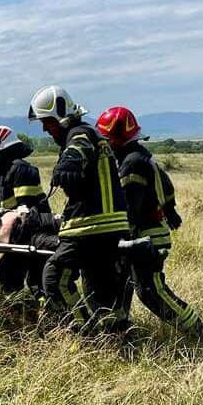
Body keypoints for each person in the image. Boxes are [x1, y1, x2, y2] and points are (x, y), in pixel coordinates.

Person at [95, 106, 203, 344]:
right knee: (121, 281)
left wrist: (117, 234)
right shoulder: (139, 156)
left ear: (116, 139)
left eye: (107, 139)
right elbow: (166, 186)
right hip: (148, 230)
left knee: (151, 292)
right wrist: (170, 210)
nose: (104, 144)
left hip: (148, 235)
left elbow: (131, 208)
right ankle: (119, 332)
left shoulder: (132, 163)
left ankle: (201, 334)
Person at [28, 86, 130, 331]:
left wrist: (68, 163)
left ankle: (86, 332)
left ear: (61, 116)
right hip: (111, 226)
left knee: (54, 278)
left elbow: (78, 150)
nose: (45, 128)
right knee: (100, 288)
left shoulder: (80, 133)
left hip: (91, 226)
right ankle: (115, 335)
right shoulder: (89, 134)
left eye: (48, 122)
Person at [0, 126, 51, 296]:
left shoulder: (21, 169)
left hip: (33, 231)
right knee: (9, 272)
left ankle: (44, 314)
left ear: (4, 149)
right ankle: (22, 309)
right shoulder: (0, 173)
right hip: (20, 234)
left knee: (34, 280)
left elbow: (26, 208)